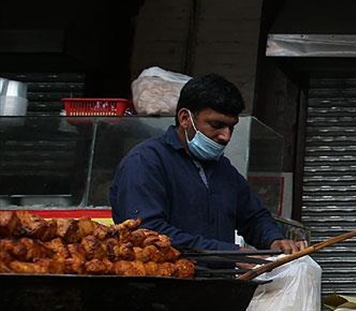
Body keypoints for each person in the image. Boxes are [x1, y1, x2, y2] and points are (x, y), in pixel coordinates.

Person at [110, 73, 306, 253]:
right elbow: (147, 233)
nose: (225, 136)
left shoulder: (223, 169)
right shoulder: (145, 162)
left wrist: (274, 240)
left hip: (220, 279)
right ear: (185, 118)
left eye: (231, 127)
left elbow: (254, 216)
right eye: (216, 125)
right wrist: (227, 253)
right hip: (164, 279)